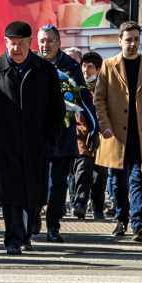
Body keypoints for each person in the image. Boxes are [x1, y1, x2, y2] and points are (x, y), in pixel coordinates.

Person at [0, 21, 65, 254]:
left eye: (21, 44)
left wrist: (48, 137)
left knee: (33, 193)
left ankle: (26, 231)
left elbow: (57, 109)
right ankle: (14, 239)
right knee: (12, 193)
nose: (16, 49)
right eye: (12, 44)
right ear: (5, 43)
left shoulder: (45, 70)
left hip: (37, 143)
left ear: (30, 44)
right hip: (6, 144)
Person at [93, 21, 142, 241]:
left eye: (136, 39)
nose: (133, 44)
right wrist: (104, 125)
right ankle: (120, 219)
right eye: (128, 40)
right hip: (115, 135)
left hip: (139, 135)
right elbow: (99, 99)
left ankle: (138, 224)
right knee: (118, 181)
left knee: (137, 179)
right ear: (120, 41)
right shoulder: (108, 65)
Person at [37, 24, 96, 241]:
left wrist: (94, 127)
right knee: (38, 180)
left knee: (60, 182)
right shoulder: (32, 63)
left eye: (50, 41)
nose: (46, 45)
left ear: (59, 43)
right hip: (38, 135)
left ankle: (53, 226)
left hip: (64, 133)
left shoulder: (71, 66)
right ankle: (34, 215)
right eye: (42, 41)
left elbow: (85, 99)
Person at [72, 51, 107, 219]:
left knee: (100, 174)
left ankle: (98, 209)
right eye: (84, 66)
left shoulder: (106, 88)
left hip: (101, 135)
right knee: (83, 165)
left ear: (98, 69)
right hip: (80, 134)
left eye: (90, 67)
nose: (86, 70)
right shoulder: (76, 87)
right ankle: (78, 203)